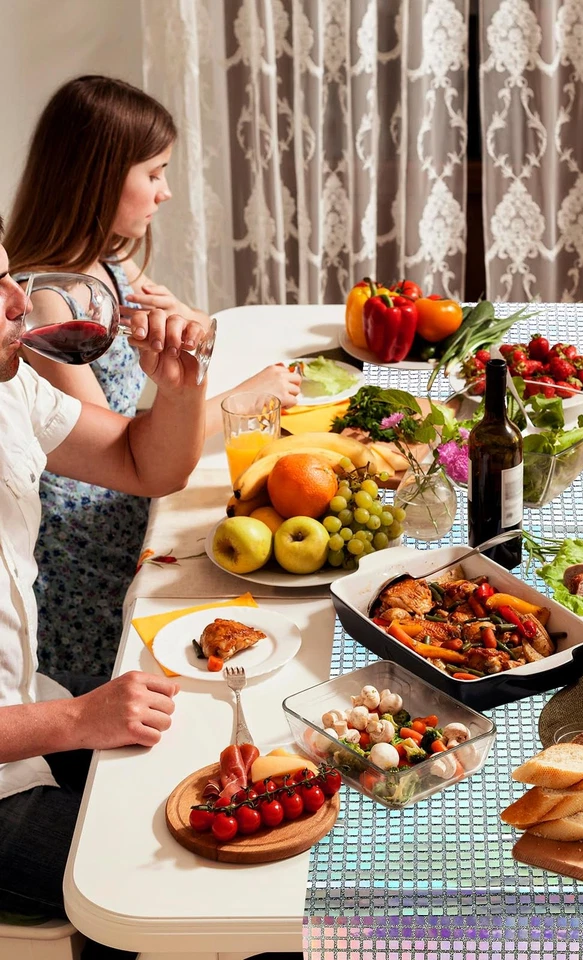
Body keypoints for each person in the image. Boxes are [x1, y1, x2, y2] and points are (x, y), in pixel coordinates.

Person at [4, 76, 301, 677]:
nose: (165, 193)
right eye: (155, 172)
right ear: (97, 175)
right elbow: (114, 457)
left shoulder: (106, 267)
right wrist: (238, 400)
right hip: (86, 545)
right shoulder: (47, 304)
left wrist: (193, 349)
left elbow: (153, 425)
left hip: (124, 495)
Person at [0, 227, 196, 954]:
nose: (22, 302)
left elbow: (148, 464)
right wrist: (80, 722)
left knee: (212, 734)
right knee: (170, 879)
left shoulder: (11, 385)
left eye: (10, 276)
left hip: (27, 705)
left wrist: (180, 390)